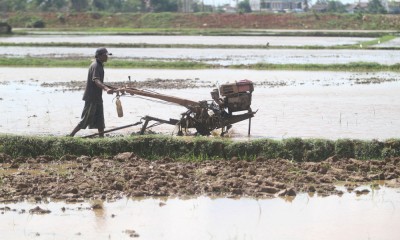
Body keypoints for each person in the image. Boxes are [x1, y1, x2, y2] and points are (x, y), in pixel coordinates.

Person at [69, 47, 114, 137]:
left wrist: (113, 88)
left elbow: (100, 82)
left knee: (100, 119)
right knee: (86, 118)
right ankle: (70, 136)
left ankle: (101, 139)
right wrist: (106, 89)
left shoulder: (100, 65)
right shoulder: (96, 66)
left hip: (97, 97)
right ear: (99, 56)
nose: (107, 57)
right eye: (105, 55)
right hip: (91, 97)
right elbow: (96, 80)